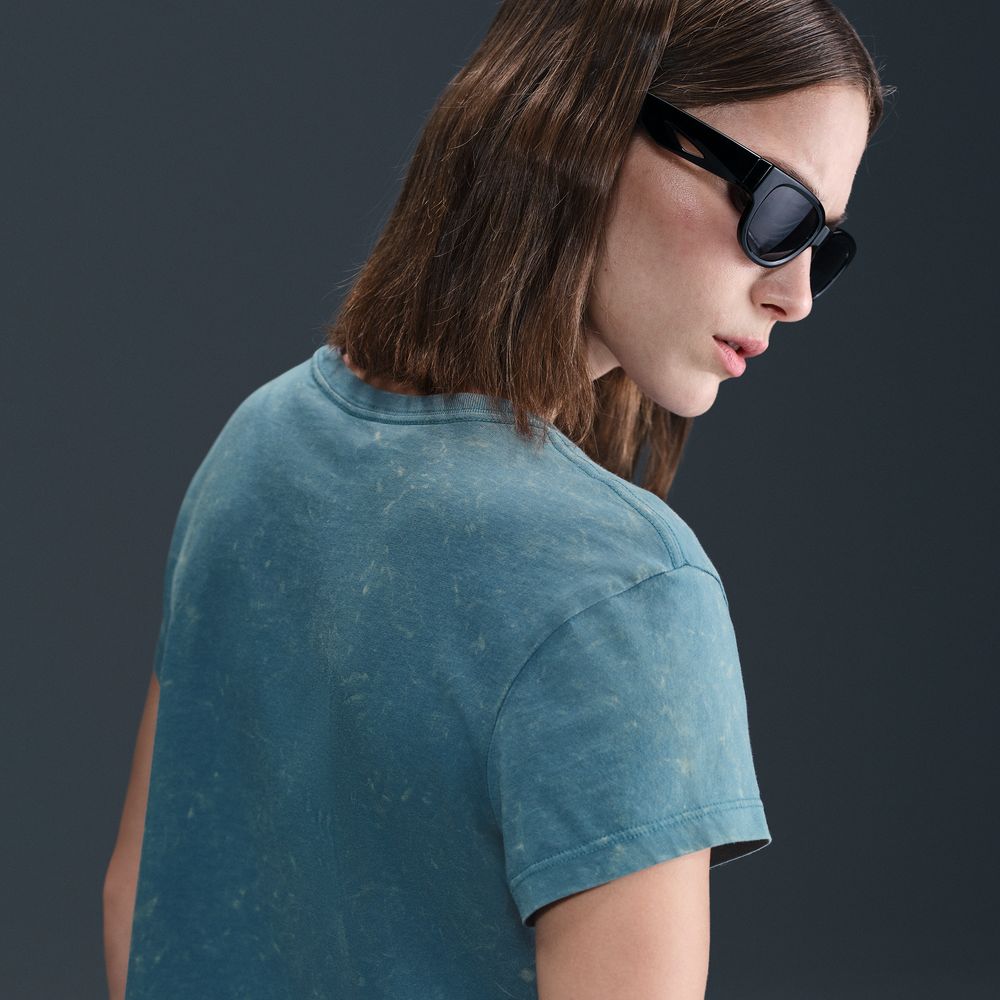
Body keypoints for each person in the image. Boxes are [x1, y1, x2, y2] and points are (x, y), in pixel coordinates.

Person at [102, 1, 894, 998]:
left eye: (825, 245)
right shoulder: (626, 593)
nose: (798, 294)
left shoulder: (257, 447)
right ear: (588, 124)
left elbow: (141, 902)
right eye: (778, 214)